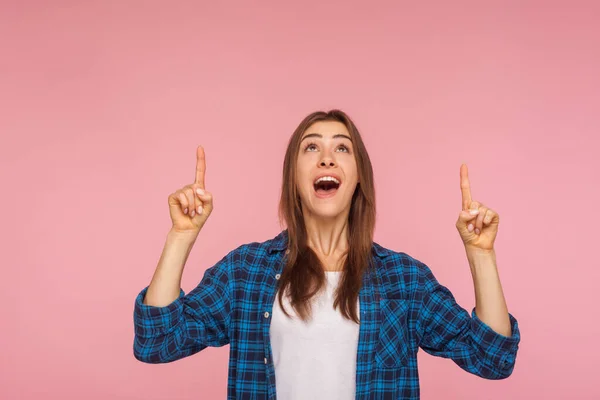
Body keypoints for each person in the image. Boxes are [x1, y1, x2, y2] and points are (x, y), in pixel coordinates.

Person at [133, 110, 520, 399]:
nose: (327, 158)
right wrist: (181, 236)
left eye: (342, 148)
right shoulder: (245, 271)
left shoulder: (405, 279)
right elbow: (157, 341)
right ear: (294, 177)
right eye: (312, 146)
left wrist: (481, 254)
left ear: (358, 178)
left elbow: (492, 358)